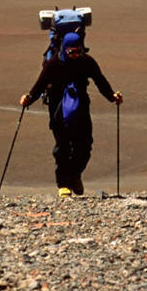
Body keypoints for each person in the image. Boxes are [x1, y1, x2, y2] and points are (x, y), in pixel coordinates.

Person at [20, 31, 123, 197]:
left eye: (78, 51)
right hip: (58, 108)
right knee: (63, 147)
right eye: (71, 52)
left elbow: (100, 80)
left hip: (81, 106)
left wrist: (112, 96)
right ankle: (64, 184)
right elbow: (40, 84)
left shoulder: (87, 62)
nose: (75, 55)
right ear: (64, 50)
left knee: (85, 145)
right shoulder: (53, 64)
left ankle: (75, 175)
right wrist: (29, 98)